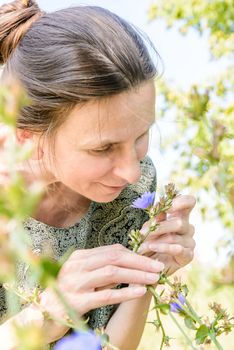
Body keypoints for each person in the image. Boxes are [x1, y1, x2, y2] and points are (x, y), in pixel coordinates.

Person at [0, 1, 196, 349]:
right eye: (103, 148)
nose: (131, 170)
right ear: (26, 135)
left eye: (140, 136)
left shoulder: (136, 185)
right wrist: (45, 316)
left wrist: (148, 269)